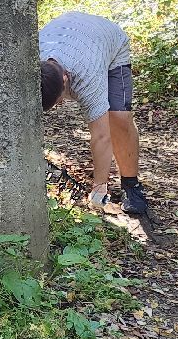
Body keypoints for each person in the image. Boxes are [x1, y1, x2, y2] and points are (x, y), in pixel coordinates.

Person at [38, 11, 150, 218]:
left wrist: (99, 187)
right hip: (68, 31)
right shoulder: (28, 63)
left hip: (109, 42)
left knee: (118, 118)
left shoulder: (86, 76)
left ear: (65, 79)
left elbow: (101, 136)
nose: (60, 104)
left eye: (60, 99)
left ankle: (131, 185)